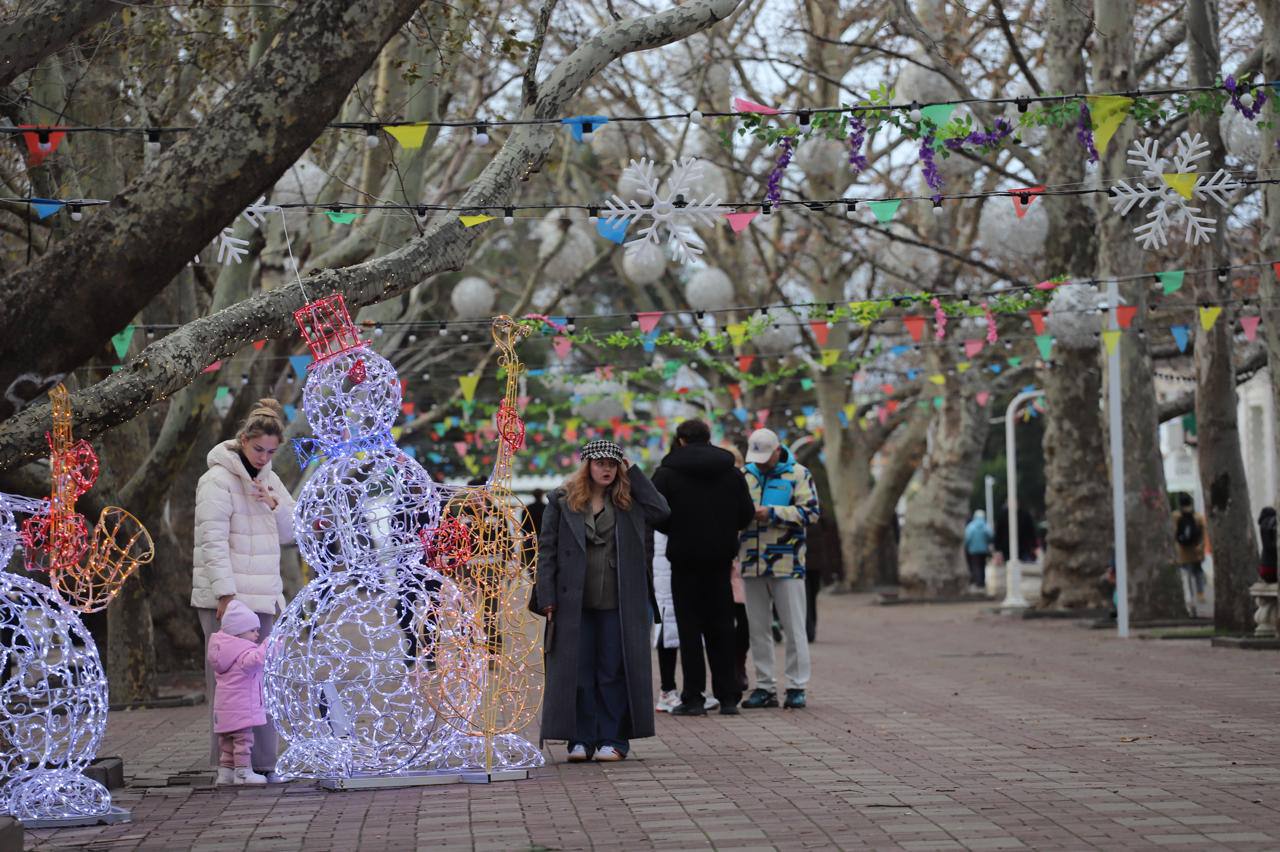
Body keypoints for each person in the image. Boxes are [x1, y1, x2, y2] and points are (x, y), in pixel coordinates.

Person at [536, 440, 670, 762]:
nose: (607, 469)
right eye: (600, 463)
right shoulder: (562, 500)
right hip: (574, 602)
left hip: (619, 603)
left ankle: (613, 738)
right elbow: (547, 551)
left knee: (612, 671)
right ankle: (580, 739)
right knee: (577, 672)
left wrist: (634, 469)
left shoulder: (630, 501)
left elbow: (662, 511)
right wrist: (547, 596)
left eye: (613, 463)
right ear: (587, 466)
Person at [192, 399, 295, 782]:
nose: (264, 457)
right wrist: (224, 595)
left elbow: (292, 533)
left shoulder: (271, 478)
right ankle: (230, 766)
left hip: (263, 594)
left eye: (271, 451)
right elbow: (212, 541)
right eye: (258, 449)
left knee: (263, 681)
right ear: (243, 439)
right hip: (229, 600)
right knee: (229, 687)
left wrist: (275, 506)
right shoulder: (216, 480)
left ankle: (262, 763)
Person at [651, 420, 755, 716]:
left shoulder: (667, 474)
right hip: (721, 560)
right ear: (710, 439)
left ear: (681, 440)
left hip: (684, 561)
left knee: (689, 630)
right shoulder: (731, 473)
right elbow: (745, 514)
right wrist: (722, 529)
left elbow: (654, 513)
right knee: (722, 628)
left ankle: (694, 696)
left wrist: (677, 529)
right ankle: (729, 697)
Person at [738, 429, 820, 710]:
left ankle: (797, 686)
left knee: (794, 627)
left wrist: (772, 513)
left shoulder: (798, 474)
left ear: (777, 450)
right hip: (750, 560)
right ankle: (765, 686)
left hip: (788, 562)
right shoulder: (744, 475)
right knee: (757, 628)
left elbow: (810, 512)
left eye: (764, 457)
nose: (760, 463)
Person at [207, 600, 271, 785]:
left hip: (224, 711)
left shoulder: (222, 652)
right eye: (253, 630)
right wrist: (271, 643)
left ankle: (225, 773)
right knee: (243, 742)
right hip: (241, 709)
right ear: (238, 632)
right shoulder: (242, 653)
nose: (257, 634)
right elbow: (258, 659)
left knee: (226, 743)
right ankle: (243, 773)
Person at [651, 530, 680, 712]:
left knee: (682, 630)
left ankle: (693, 691)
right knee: (666, 628)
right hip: (661, 569)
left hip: (677, 564)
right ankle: (667, 689)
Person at [1172, 493, 1208, 612]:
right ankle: (1200, 593)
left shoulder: (1175, 516)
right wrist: (1201, 548)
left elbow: (1173, 533)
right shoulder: (1198, 516)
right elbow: (1203, 533)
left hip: (1182, 552)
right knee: (1198, 572)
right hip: (1195, 550)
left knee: (1186, 576)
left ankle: (1189, 597)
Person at [963, 509, 994, 594]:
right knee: (982, 566)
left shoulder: (971, 526)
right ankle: (982, 583)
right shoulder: (986, 526)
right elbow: (990, 536)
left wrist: (967, 546)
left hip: (973, 550)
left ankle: (977, 582)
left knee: (975, 566)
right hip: (983, 549)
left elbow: (967, 538)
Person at [1259, 507, 1277, 583]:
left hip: (1264, 569)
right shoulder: (1272, 522)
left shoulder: (1263, 524)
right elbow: (1270, 546)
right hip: (1273, 569)